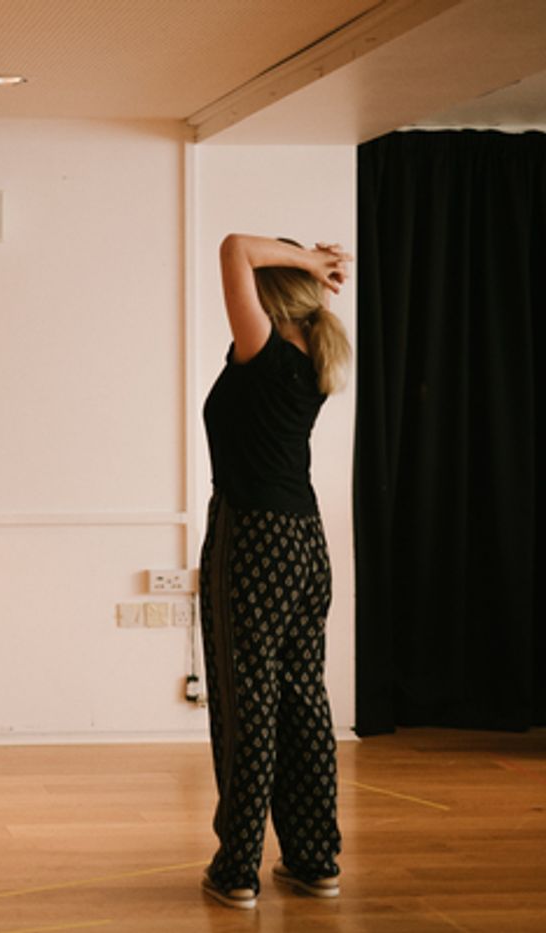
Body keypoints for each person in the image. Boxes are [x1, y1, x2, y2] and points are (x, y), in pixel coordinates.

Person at [198, 234, 353, 908]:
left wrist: (309, 262)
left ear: (269, 297)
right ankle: (314, 860)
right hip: (306, 544)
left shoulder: (262, 350)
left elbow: (234, 246)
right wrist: (313, 269)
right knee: (303, 701)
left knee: (248, 706)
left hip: (252, 539)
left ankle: (237, 869)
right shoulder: (313, 355)